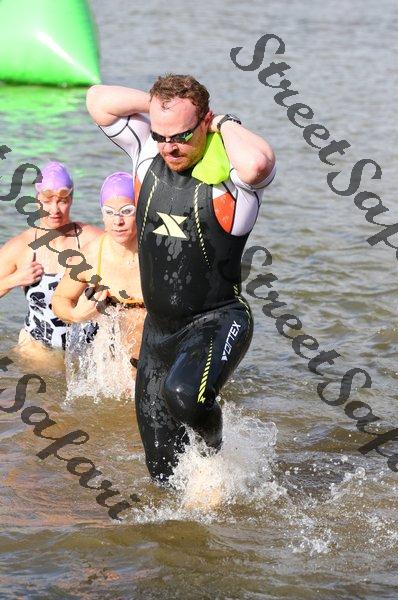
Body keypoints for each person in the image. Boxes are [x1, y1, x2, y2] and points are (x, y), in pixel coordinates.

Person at [86, 74, 276, 483]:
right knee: (161, 474)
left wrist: (224, 122)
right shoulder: (145, 153)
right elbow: (98, 99)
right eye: (161, 135)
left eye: (181, 136)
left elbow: (258, 164)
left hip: (217, 320)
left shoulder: (231, 183)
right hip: (159, 334)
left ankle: (217, 463)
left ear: (205, 122)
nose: (169, 147)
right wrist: (159, 108)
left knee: (185, 397)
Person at [0, 161, 100, 361]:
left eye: (62, 201)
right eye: (47, 201)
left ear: (71, 200)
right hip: (37, 351)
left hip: (86, 351)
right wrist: (14, 279)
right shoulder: (22, 246)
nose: (54, 209)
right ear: (37, 200)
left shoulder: (92, 240)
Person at [52, 172, 145, 369]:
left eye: (127, 211)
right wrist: (76, 315)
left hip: (157, 359)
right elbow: (60, 299)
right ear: (102, 215)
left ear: (141, 210)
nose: (117, 221)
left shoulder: (160, 252)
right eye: (109, 212)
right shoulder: (91, 257)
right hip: (116, 368)